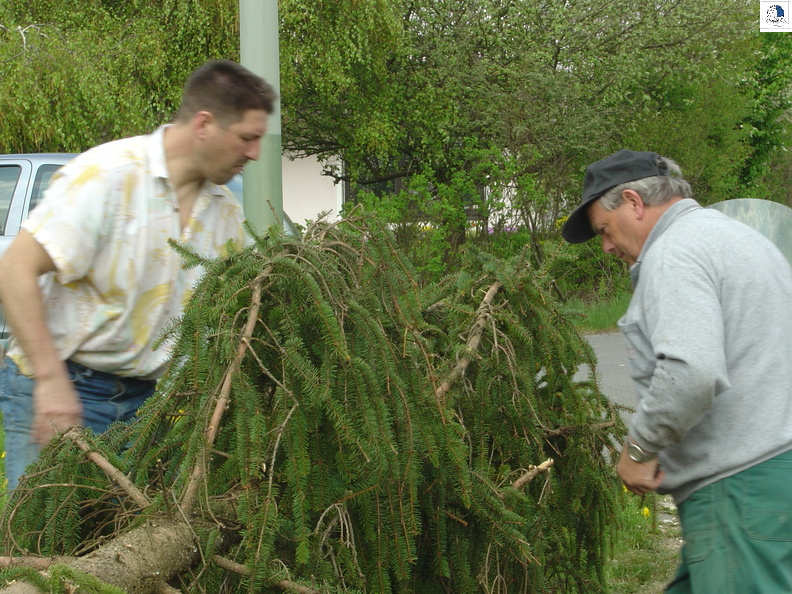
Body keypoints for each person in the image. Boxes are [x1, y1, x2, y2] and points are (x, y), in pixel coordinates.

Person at [0, 59, 277, 492]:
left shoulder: (223, 210)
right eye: (247, 138)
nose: (255, 153)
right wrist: (51, 382)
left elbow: (234, 310)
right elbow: (14, 268)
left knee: (124, 552)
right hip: (62, 388)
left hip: (143, 408)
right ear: (204, 124)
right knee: (42, 551)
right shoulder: (108, 177)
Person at [562, 150, 792, 592]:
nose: (606, 246)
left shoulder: (674, 252)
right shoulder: (738, 238)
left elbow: (691, 372)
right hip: (766, 487)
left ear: (634, 201)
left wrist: (638, 450)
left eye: (604, 231)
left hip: (736, 493)